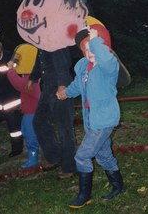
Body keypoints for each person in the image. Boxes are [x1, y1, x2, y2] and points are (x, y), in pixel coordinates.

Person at [57, 26, 126, 209]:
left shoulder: (108, 67)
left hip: (103, 120)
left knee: (82, 157)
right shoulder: (84, 70)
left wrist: (96, 41)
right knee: (104, 156)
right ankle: (119, 188)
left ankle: (84, 195)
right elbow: (76, 87)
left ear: (102, 47)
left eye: (93, 48)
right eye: (86, 50)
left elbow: (104, 57)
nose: (90, 52)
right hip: (92, 119)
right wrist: (65, 93)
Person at [25, 46, 77, 179]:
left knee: (64, 128)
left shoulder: (55, 42)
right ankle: (55, 157)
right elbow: (39, 61)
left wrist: (63, 85)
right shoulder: (42, 42)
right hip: (48, 89)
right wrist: (32, 78)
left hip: (60, 88)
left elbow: (63, 65)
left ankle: (70, 167)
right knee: (38, 121)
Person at [6, 44, 41, 168]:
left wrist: (10, 70)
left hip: (31, 113)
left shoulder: (31, 79)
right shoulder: (31, 76)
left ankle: (33, 160)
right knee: (30, 133)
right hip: (29, 112)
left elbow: (19, 84)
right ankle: (45, 153)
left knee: (31, 137)